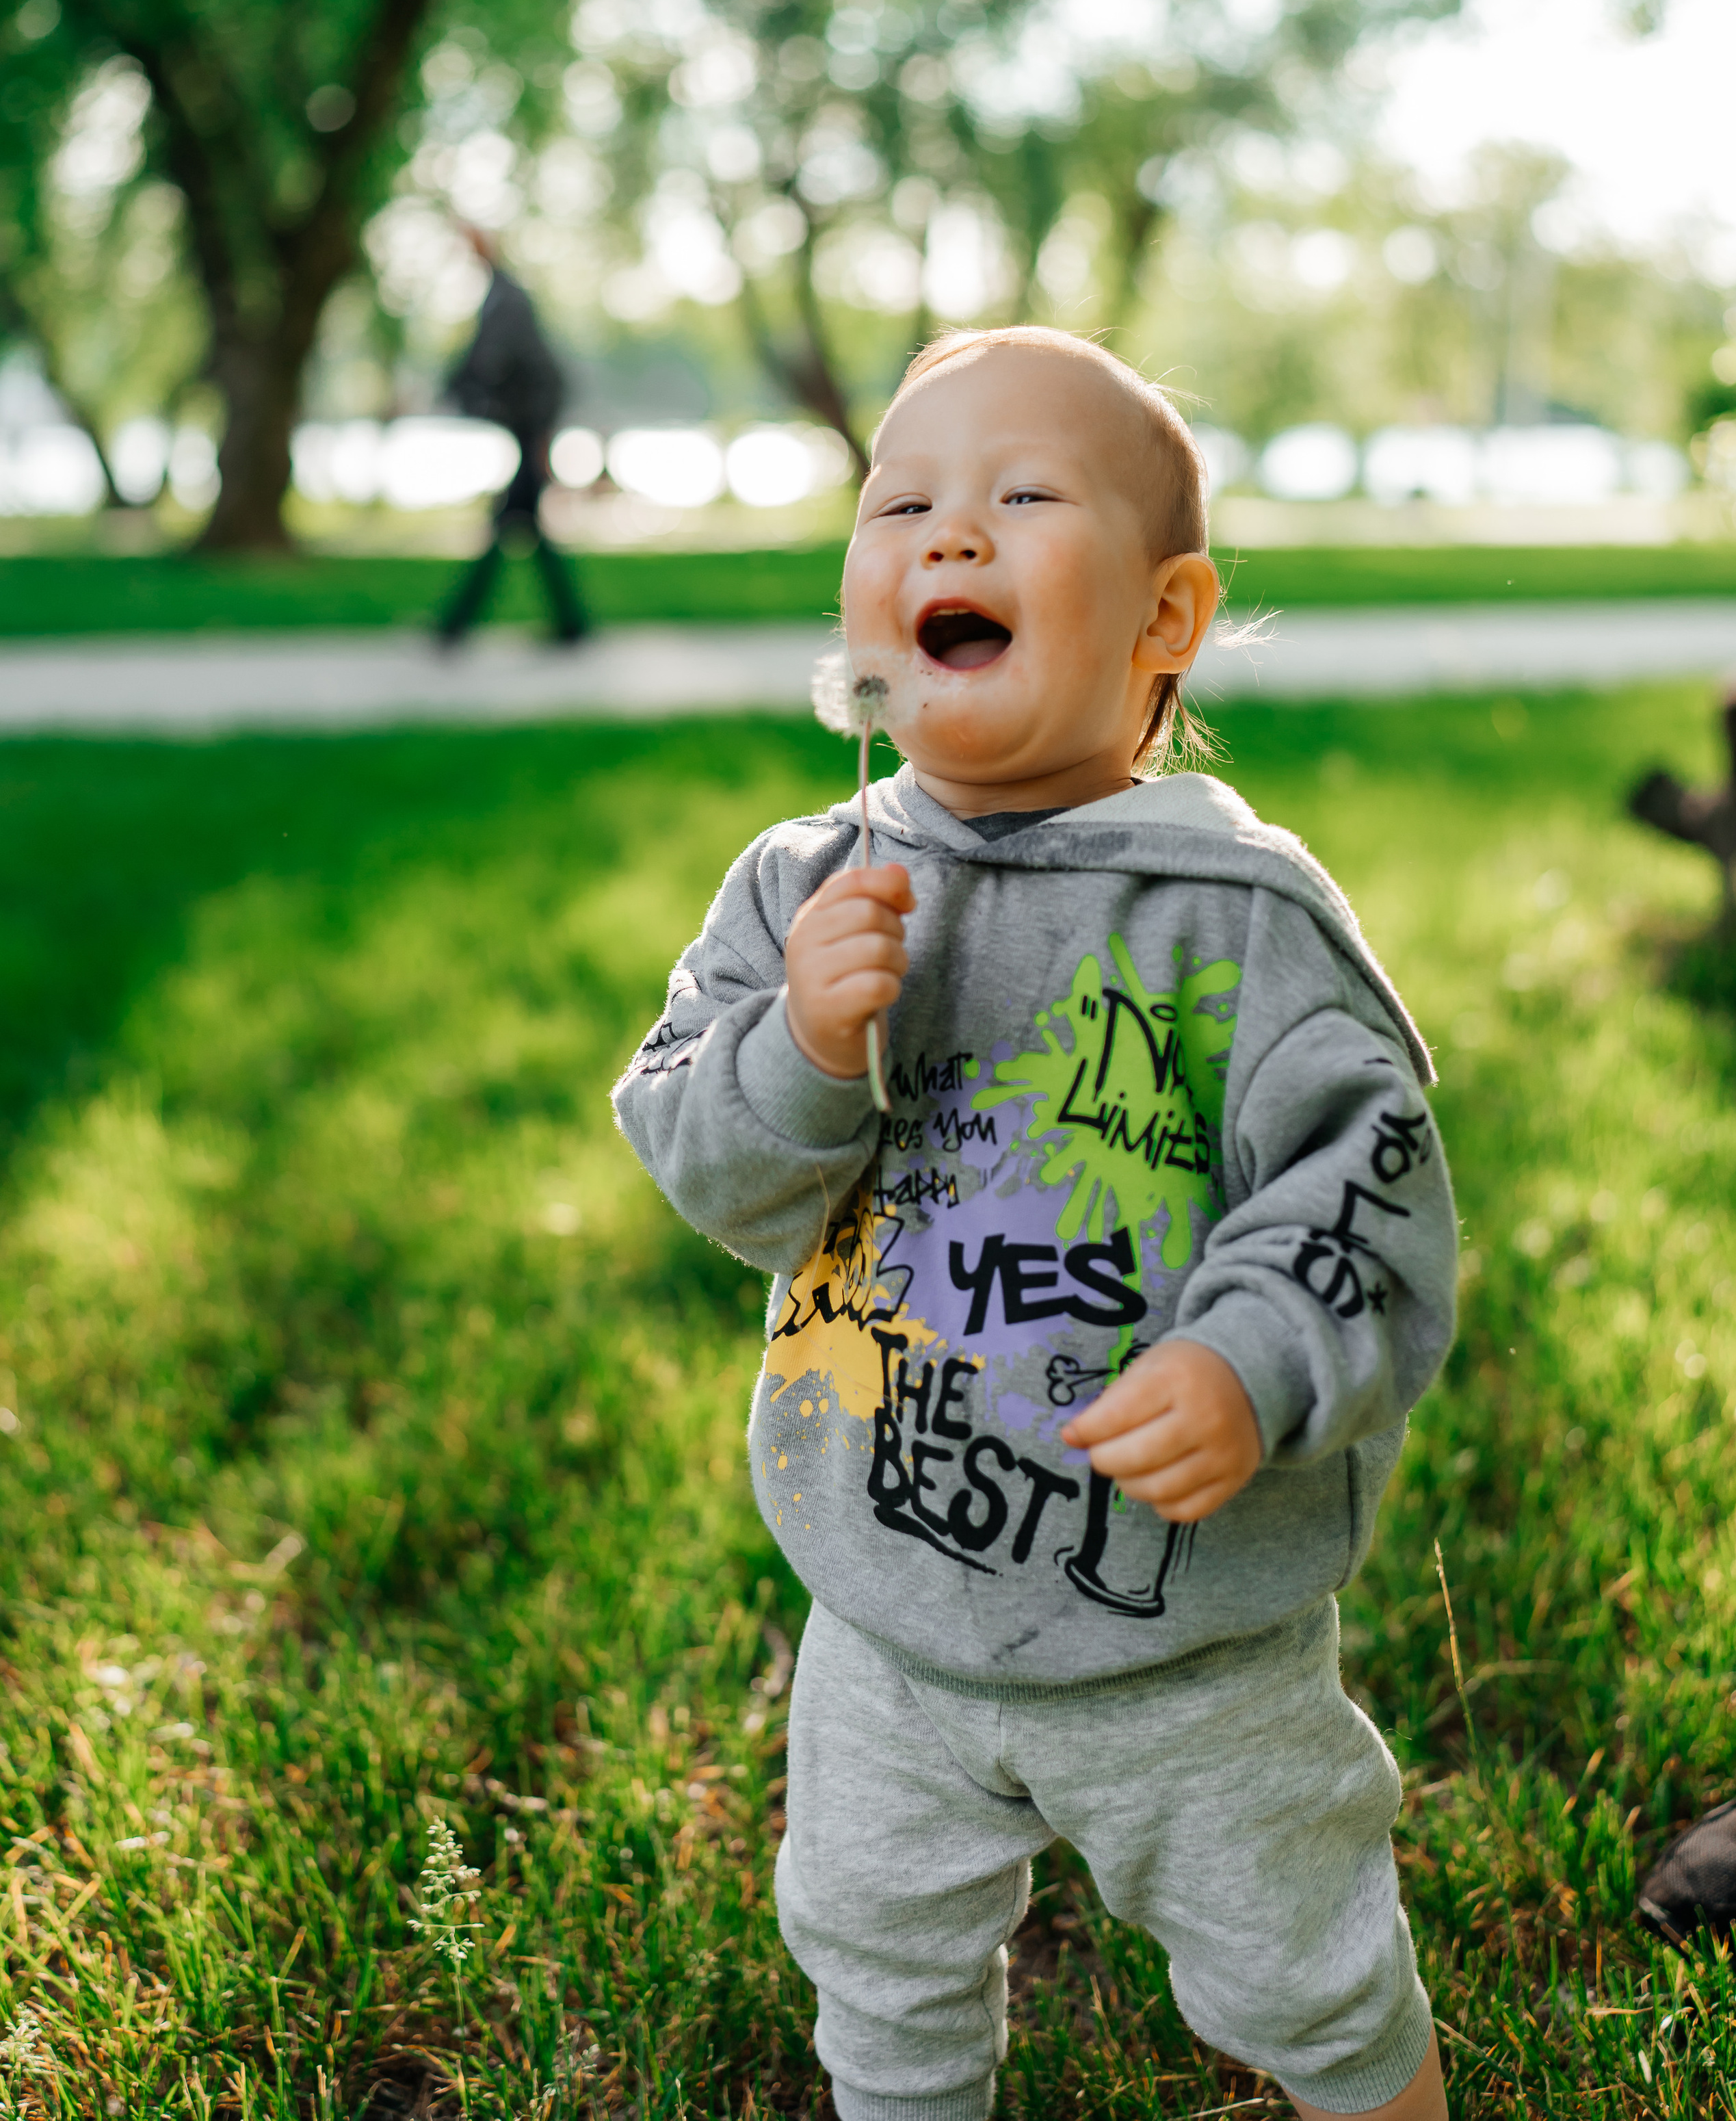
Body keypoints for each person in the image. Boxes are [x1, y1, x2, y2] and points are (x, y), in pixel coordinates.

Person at [613, 325, 1459, 2121]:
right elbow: (706, 1165)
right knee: (878, 1961)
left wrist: (1247, 1363)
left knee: (1297, 1958)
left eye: (1019, 496)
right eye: (902, 501)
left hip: (1185, 1646)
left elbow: (1363, 1193)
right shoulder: (803, 886)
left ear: (1168, 616)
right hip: (889, 1611)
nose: (950, 538)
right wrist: (802, 1047)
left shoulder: (1238, 920)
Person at [435, 224, 589, 648]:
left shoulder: (507, 300)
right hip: (528, 428)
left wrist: (448, 391)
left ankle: (454, 626)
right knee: (520, 526)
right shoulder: (501, 297)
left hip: (531, 428)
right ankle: (571, 625)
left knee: (507, 523)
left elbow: (488, 359)